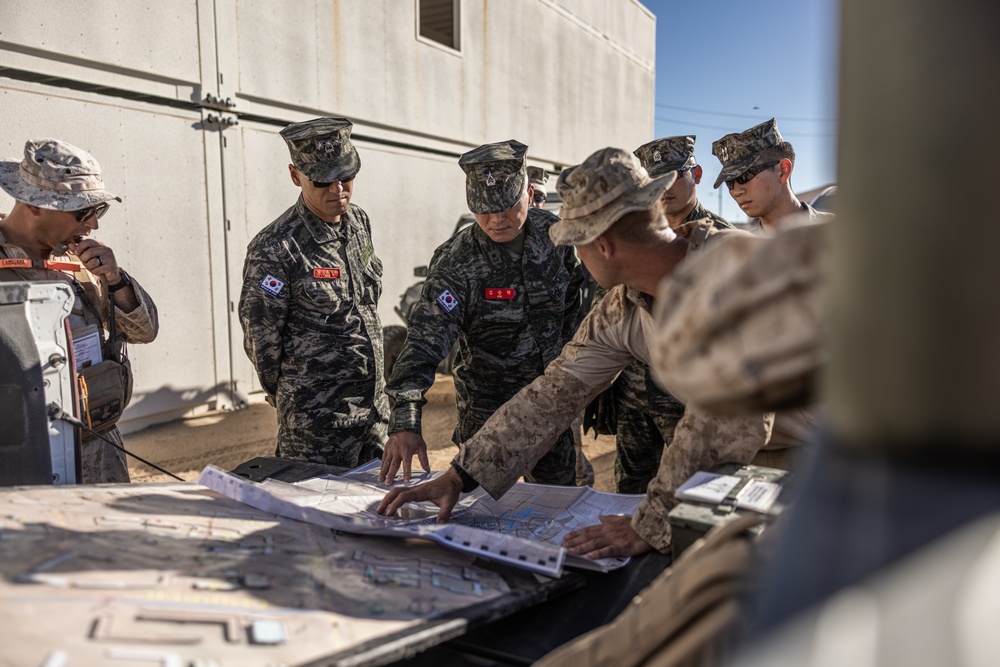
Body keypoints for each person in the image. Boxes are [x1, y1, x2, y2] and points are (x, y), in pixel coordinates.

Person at [378, 147, 776, 559]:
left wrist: (653, 521)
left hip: (801, 463)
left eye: (576, 246)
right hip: (732, 471)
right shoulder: (624, 308)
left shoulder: (734, 274)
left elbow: (726, 422)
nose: (575, 259)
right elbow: (552, 394)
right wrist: (461, 477)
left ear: (602, 245)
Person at [379, 140, 584, 487]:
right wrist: (405, 420)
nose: (496, 218)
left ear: (529, 192)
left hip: (549, 407)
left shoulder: (556, 239)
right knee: (478, 517)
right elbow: (423, 344)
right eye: (483, 208)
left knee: (555, 507)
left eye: (506, 205)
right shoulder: (456, 261)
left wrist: (568, 365)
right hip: (486, 415)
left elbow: (574, 306)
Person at [0, 138, 159, 483]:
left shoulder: (86, 259)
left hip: (98, 447)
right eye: (83, 212)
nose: (94, 224)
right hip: (23, 454)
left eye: (98, 210)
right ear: (35, 205)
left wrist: (116, 281)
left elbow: (144, 332)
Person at [239, 117, 389, 468]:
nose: (338, 189)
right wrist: (296, 396)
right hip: (317, 425)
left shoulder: (359, 224)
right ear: (296, 176)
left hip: (373, 414)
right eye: (323, 180)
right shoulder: (276, 246)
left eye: (346, 176)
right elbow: (261, 336)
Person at [588, 136, 734, 494]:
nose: (664, 189)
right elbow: (604, 306)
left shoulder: (718, 240)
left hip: (687, 404)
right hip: (633, 396)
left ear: (696, 174)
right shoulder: (634, 235)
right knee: (630, 490)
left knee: (687, 493)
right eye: (653, 181)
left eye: (673, 175)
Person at [712, 118, 825, 233]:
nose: (736, 192)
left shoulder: (837, 230)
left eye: (746, 175)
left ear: (783, 170)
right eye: (729, 182)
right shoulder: (743, 248)